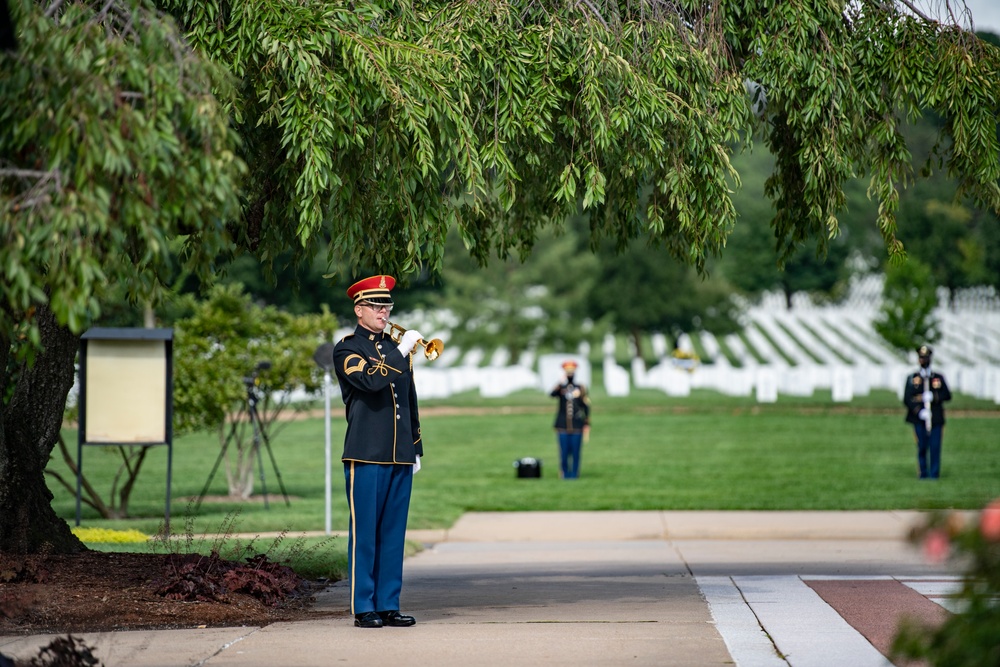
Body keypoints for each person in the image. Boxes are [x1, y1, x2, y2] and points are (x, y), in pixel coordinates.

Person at [333, 274, 424, 628]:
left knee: (392, 533)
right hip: (366, 453)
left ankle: (388, 603)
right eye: (376, 306)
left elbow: (409, 400)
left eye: (386, 306)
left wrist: (416, 446)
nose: (384, 312)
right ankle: (364, 606)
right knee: (366, 532)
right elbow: (370, 381)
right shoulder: (347, 348)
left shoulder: (393, 348)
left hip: (399, 454)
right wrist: (402, 352)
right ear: (359, 310)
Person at [902, 344, 952, 480]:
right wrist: (919, 411)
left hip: (935, 418)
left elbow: (947, 395)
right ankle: (923, 473)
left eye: (925, 357)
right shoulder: (913, 378)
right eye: (921, 357)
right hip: (919, 418)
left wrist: (934, 396)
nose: (923, 360)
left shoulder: (938, 378)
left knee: (935, 447)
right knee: (922, 446)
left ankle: (934, 474)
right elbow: (907, 398)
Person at [550, 360, 591, 479]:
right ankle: (564, 472)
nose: (570, 374)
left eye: (571, 372)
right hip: (562, 425)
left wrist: (587, 422)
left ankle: (574, 473)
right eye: (567, 372)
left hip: (577, 425)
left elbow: (586, 406)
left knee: (576, 452)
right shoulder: (560, 388)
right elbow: (551, 394)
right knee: (564, 452)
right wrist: (560, 382)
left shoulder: (581, 387)